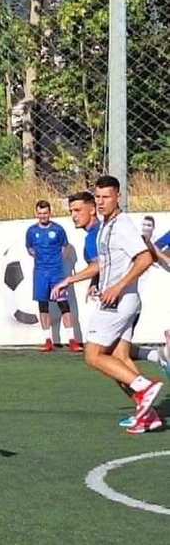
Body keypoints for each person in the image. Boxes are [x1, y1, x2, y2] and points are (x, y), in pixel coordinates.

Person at [50, 177, 162, 434]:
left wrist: (118, 286)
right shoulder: (107, 226)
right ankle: (148, 414)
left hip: (118, 301)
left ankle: (144, 387)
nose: (101, 202)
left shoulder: (122, 225)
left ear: (118, 197)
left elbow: (145, 258)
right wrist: (71, 280)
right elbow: (102, 264)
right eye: (98, 197)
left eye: (106, 197)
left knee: (92, 355)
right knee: (119, 357)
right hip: (121, 300)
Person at [25, 200, 80, 352]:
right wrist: (40, 258)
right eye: (40, 213)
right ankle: (48, 340)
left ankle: (72, 340)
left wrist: (55, 261)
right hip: (40, 273)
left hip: (56, 273)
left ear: (50, 213)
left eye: (45, 213)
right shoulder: (31, 231)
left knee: (64, 305)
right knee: (43, 306)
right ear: (36, 213)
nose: (43, 216)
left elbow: (65, 247)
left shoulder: (58, 230)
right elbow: (29, 249)